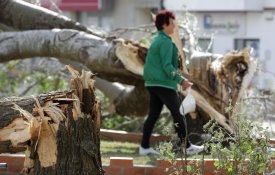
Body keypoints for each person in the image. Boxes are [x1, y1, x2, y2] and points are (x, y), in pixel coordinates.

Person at [139, 10, 204, 156]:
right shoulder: (165, 42)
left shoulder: (157, 39)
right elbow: (167, 67)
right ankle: (186, 146)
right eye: (172, 22)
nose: (174, 25)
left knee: (153, 115)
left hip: (152, 83)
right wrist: (181, 80)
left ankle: (144, 147)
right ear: (164, 25)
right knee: (179, 113)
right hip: (163, 84)